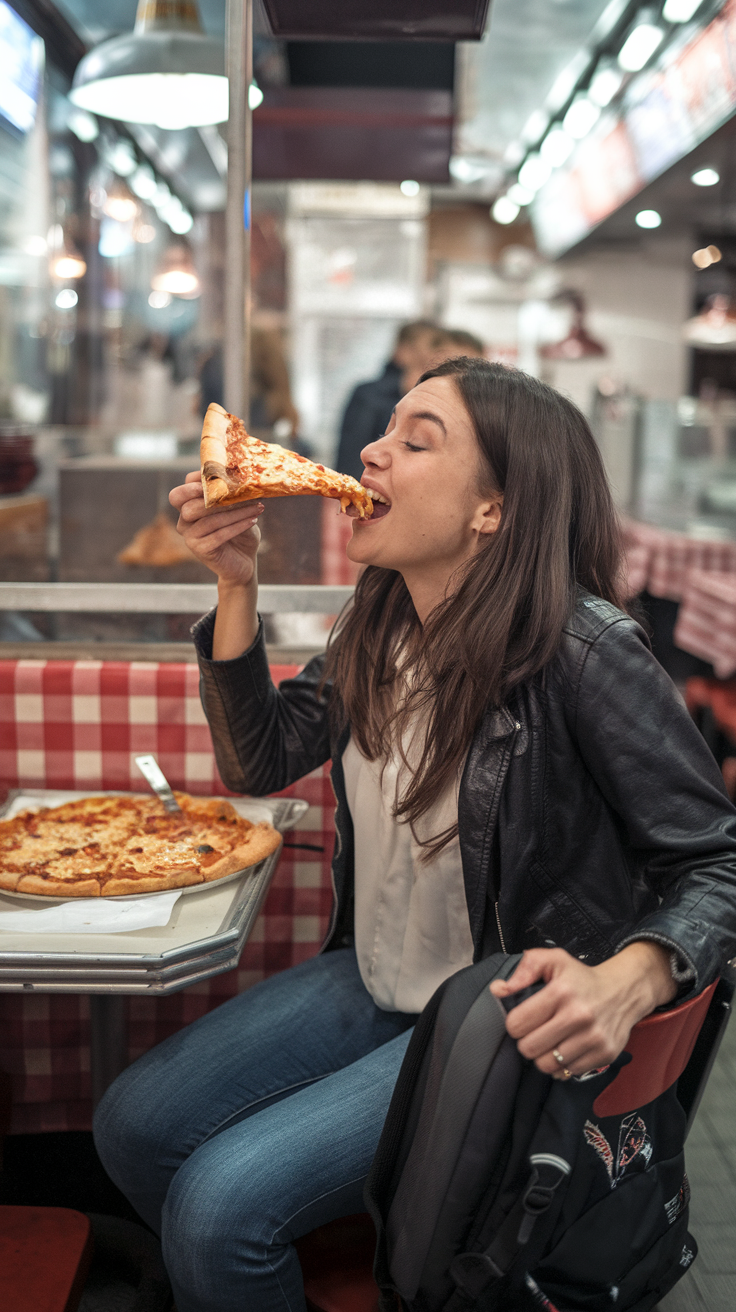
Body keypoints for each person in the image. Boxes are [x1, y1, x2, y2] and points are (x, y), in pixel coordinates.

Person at [94, 358, 736, 1312]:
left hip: (495, 1018)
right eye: (384, 429)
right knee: (130, 1129)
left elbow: (716, 860)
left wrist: (629, 976)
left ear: (493, 511)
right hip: (377, 977)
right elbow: (259, 760)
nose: (370, 451)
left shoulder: (584, 653)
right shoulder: (379, 619)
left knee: (217, 1210)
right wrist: (238, 583)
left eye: (415, 440)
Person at [335, 319, 438, 480]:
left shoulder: (435, 397)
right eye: (429, 348)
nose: (433, 355)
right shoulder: (369, 394)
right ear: (402, 349)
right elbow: (351, 454)